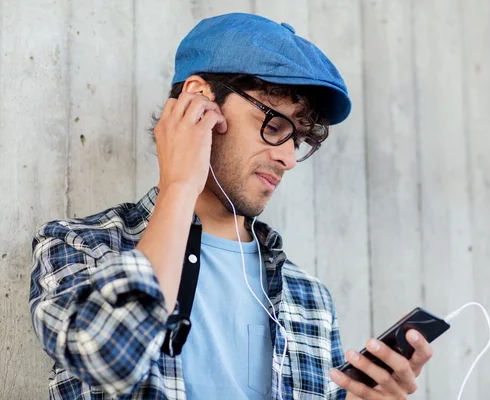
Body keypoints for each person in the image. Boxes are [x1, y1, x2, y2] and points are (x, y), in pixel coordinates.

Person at [29, 13, 433, 400]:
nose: (289, 159)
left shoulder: (310, 298)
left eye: (298, 139)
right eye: (274, 126)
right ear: (199, 101)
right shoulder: (80, 247)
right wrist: (180, 184)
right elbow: (108, 358)